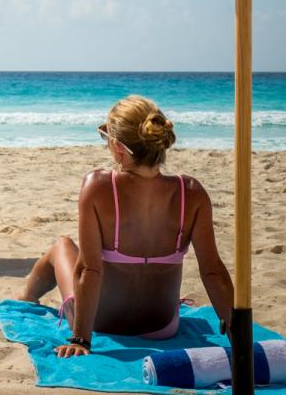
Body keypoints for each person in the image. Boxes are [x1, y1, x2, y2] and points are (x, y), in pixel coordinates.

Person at [18, 95, 234, 357]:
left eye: (105, 136)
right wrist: (239, 337)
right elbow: (213, 272)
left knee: (62, 246)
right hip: (162, 326)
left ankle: (25, 299)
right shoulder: (192, 192)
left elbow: (89, 269)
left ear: (119, 147)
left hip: (101, 321)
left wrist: (81, 340)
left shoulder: (97, 186)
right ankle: (26, 298)